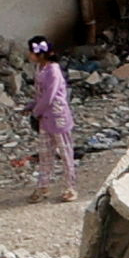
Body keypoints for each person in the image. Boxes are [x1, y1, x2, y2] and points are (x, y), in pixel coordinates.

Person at [23, 38, 76, 196]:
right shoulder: (40, 68)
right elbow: (41, 94)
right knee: (45, 154)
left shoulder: (53, 70)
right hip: (45, 119)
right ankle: (43, 185)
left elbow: (49, 96)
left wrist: (36, 111)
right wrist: (32, 106)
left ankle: (70, 186)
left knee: (65, 153)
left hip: (57, 117)